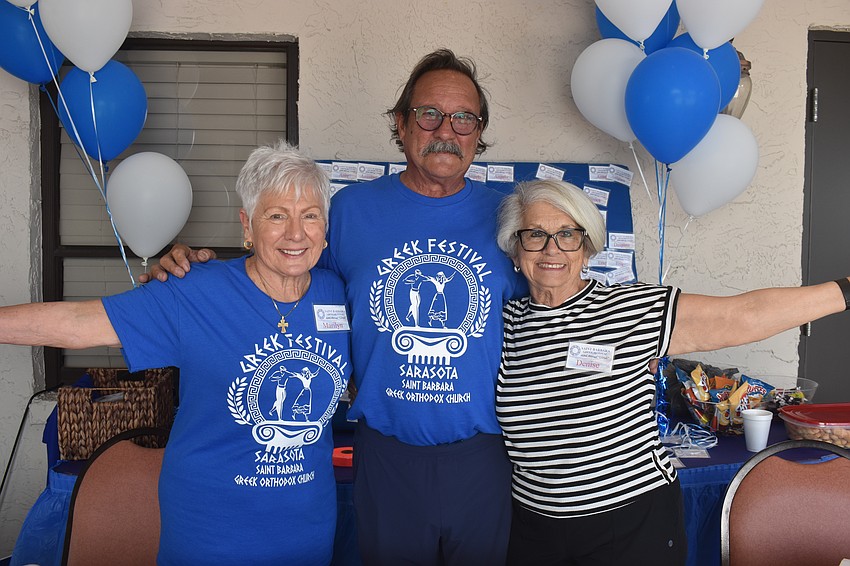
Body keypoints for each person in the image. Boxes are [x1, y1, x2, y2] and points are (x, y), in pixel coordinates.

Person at [142, 49, 526, 565]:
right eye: (429, 113)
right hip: (385, 454)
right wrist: (200, 271)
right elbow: (290, 272)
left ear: (479, 132)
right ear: (401, 122)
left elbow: (554, 295)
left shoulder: (509, 215)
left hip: (483, 453)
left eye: (464, 118)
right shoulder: (351, 210)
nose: (446, 130)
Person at [1, 140, 351, 565]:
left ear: (325, 227)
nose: (296, 233)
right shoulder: (193, 291)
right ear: (247, 226)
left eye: (310, 215)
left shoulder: (338, 293)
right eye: (277, 215)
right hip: (210, 533)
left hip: (307, 531)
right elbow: (78, 322)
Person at [494, 178, 850, 565]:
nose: (552, 249)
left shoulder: (631, 309)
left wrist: (846, 291)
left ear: (587, 246)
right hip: (534, 526)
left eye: (567, 234)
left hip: (629, 523)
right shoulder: (502, 322)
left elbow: (745, 315)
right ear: (515, 248)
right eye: (535, 235)